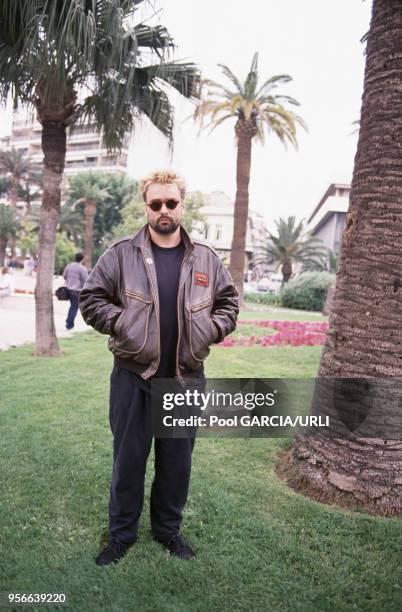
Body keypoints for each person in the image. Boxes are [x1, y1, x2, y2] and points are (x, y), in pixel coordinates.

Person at [79, 170, 239, 566]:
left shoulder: (205, 257)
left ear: (183, 204)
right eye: (155, 204)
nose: (164, 210)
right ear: (146, 206)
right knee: (128, 461)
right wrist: (122, 324)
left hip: (184, 379)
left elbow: (229, 305)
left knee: (176, 465)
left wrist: (209, 329)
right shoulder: (120, 254)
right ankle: (121, 536)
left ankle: (168, 532)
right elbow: (91, 299)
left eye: (171, 202)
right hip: (133, 376)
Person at [63, 253, 88, 330]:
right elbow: (85, 280)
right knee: (74, 307)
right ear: (82, 259)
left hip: (68, 289)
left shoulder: (69, 266)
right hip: (77, 291)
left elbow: (64, 275)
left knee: (72, 306)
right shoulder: (82, 268)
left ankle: (68, 320)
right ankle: (69, 324)